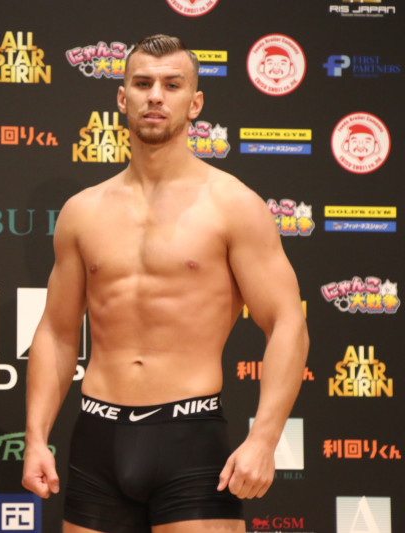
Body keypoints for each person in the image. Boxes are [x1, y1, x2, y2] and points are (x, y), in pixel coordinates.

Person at [22, 34, 309, 533]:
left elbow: (287, 323)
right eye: (142, 83)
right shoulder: (81, 212)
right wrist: (34, 436)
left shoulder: (233, 205)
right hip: (97, 438)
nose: (155, 96)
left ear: (195, 103)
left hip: (189, 438)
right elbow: (57, 331)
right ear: (122, 97)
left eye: (172, 85)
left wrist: (264, 439)